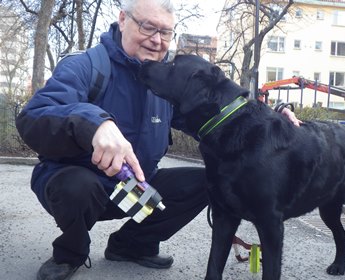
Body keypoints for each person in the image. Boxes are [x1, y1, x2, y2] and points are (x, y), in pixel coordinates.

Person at [16, 0, 301, 279]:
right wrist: (93, 124)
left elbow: (216, 117)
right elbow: (35, 115)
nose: (157, 40)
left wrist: (270, 118)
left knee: (208, 183)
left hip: (129, 187)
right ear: (123, 20)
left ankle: (130, 245)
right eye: (148, 27)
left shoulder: (162, 82)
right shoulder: (87, 66)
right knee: (77, 186)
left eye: (165, 32)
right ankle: (70, 252)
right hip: (78, 184)